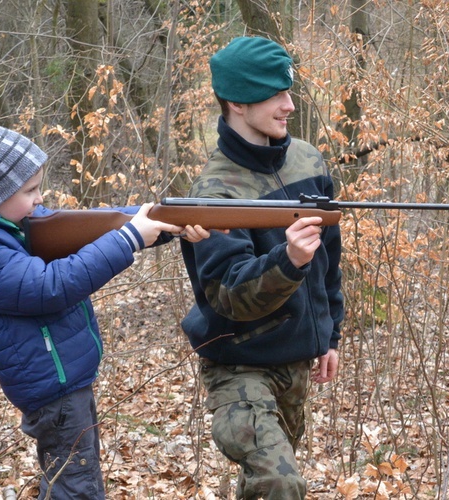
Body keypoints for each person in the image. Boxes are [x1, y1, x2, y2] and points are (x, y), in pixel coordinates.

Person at [0, 123, 210, 499]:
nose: (40, 199)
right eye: (30, 191)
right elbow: (50, 287)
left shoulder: (6, 221)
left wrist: (163, 223)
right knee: (76, 490)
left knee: (73, 485)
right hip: (51, 389)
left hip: (63, 378)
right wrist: (130, 238)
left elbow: (94, 226)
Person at [179, 36, 344, 499]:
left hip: (294, 361)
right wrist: (288, 260)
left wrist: (330, 333)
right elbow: (230, 297)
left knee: (265, 487)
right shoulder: (215, 192)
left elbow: (330, 259)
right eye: (275, 94)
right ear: (236, 99)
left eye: (288, 91)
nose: (289, 105)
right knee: (279, 482)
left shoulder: (308, 160)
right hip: (238, 365)